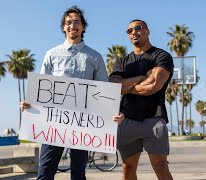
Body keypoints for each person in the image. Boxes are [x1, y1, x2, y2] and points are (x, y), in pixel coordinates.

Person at [20, 6, 124, 180]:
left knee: (78, 174)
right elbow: (41, 89)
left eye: (77, 22)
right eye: (68, 22)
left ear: (83, 26)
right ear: (63, 27)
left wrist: (114, 113)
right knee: (45, 173)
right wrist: (29, 104)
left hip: (82, 125)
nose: (72, 26)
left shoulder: (95, 57)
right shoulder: (51, 54)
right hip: (53, 124)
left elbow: (104, 90)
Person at [109, 19, 174, 180]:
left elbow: (152, 85)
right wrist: (140, 77)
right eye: (129, 30)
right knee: (127, 168)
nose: (133, 32)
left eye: (137, 28)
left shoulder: (161, 56)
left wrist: (126, 85)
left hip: (153, 119)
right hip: (127, 120)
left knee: (160, 166)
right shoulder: (122, 62)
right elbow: (113, 87)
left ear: (147, 31)